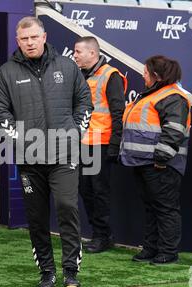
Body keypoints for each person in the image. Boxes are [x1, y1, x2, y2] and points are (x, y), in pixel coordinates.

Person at [0, 17, 93, 287]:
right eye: (24, 39)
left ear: (44, 37)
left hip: (64, 154)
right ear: (18, 41)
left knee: (67, 208)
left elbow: (84, 101)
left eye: (34, 37)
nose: (30, 42)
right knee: (36, 217)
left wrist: (75, 131)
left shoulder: (67, 66)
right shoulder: (7, 72)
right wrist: (18, 138)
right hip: (29, 159)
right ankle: (47, 271)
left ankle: (71, 272)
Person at [119, 55, 191, 265]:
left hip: (161, 165)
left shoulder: (172, 97)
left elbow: (174, 130)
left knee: (165, 208)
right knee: (151, 208)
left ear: (156, 75)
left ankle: (168, 252)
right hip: (143, 163)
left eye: (146, 72)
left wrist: (161, 159)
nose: (143, 75)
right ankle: (151, 248)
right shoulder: (152, 94)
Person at [73, 36, 127, 253]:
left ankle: (102, 236)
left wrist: (115, 145)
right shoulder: (80, 76)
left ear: (92, 54)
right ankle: (99, 233)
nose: (74, 55)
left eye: (78, 52)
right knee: (85, 190)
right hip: (82, 144)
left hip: (101, 144)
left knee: (99, 191)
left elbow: (117, 113)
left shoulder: (110, 75)